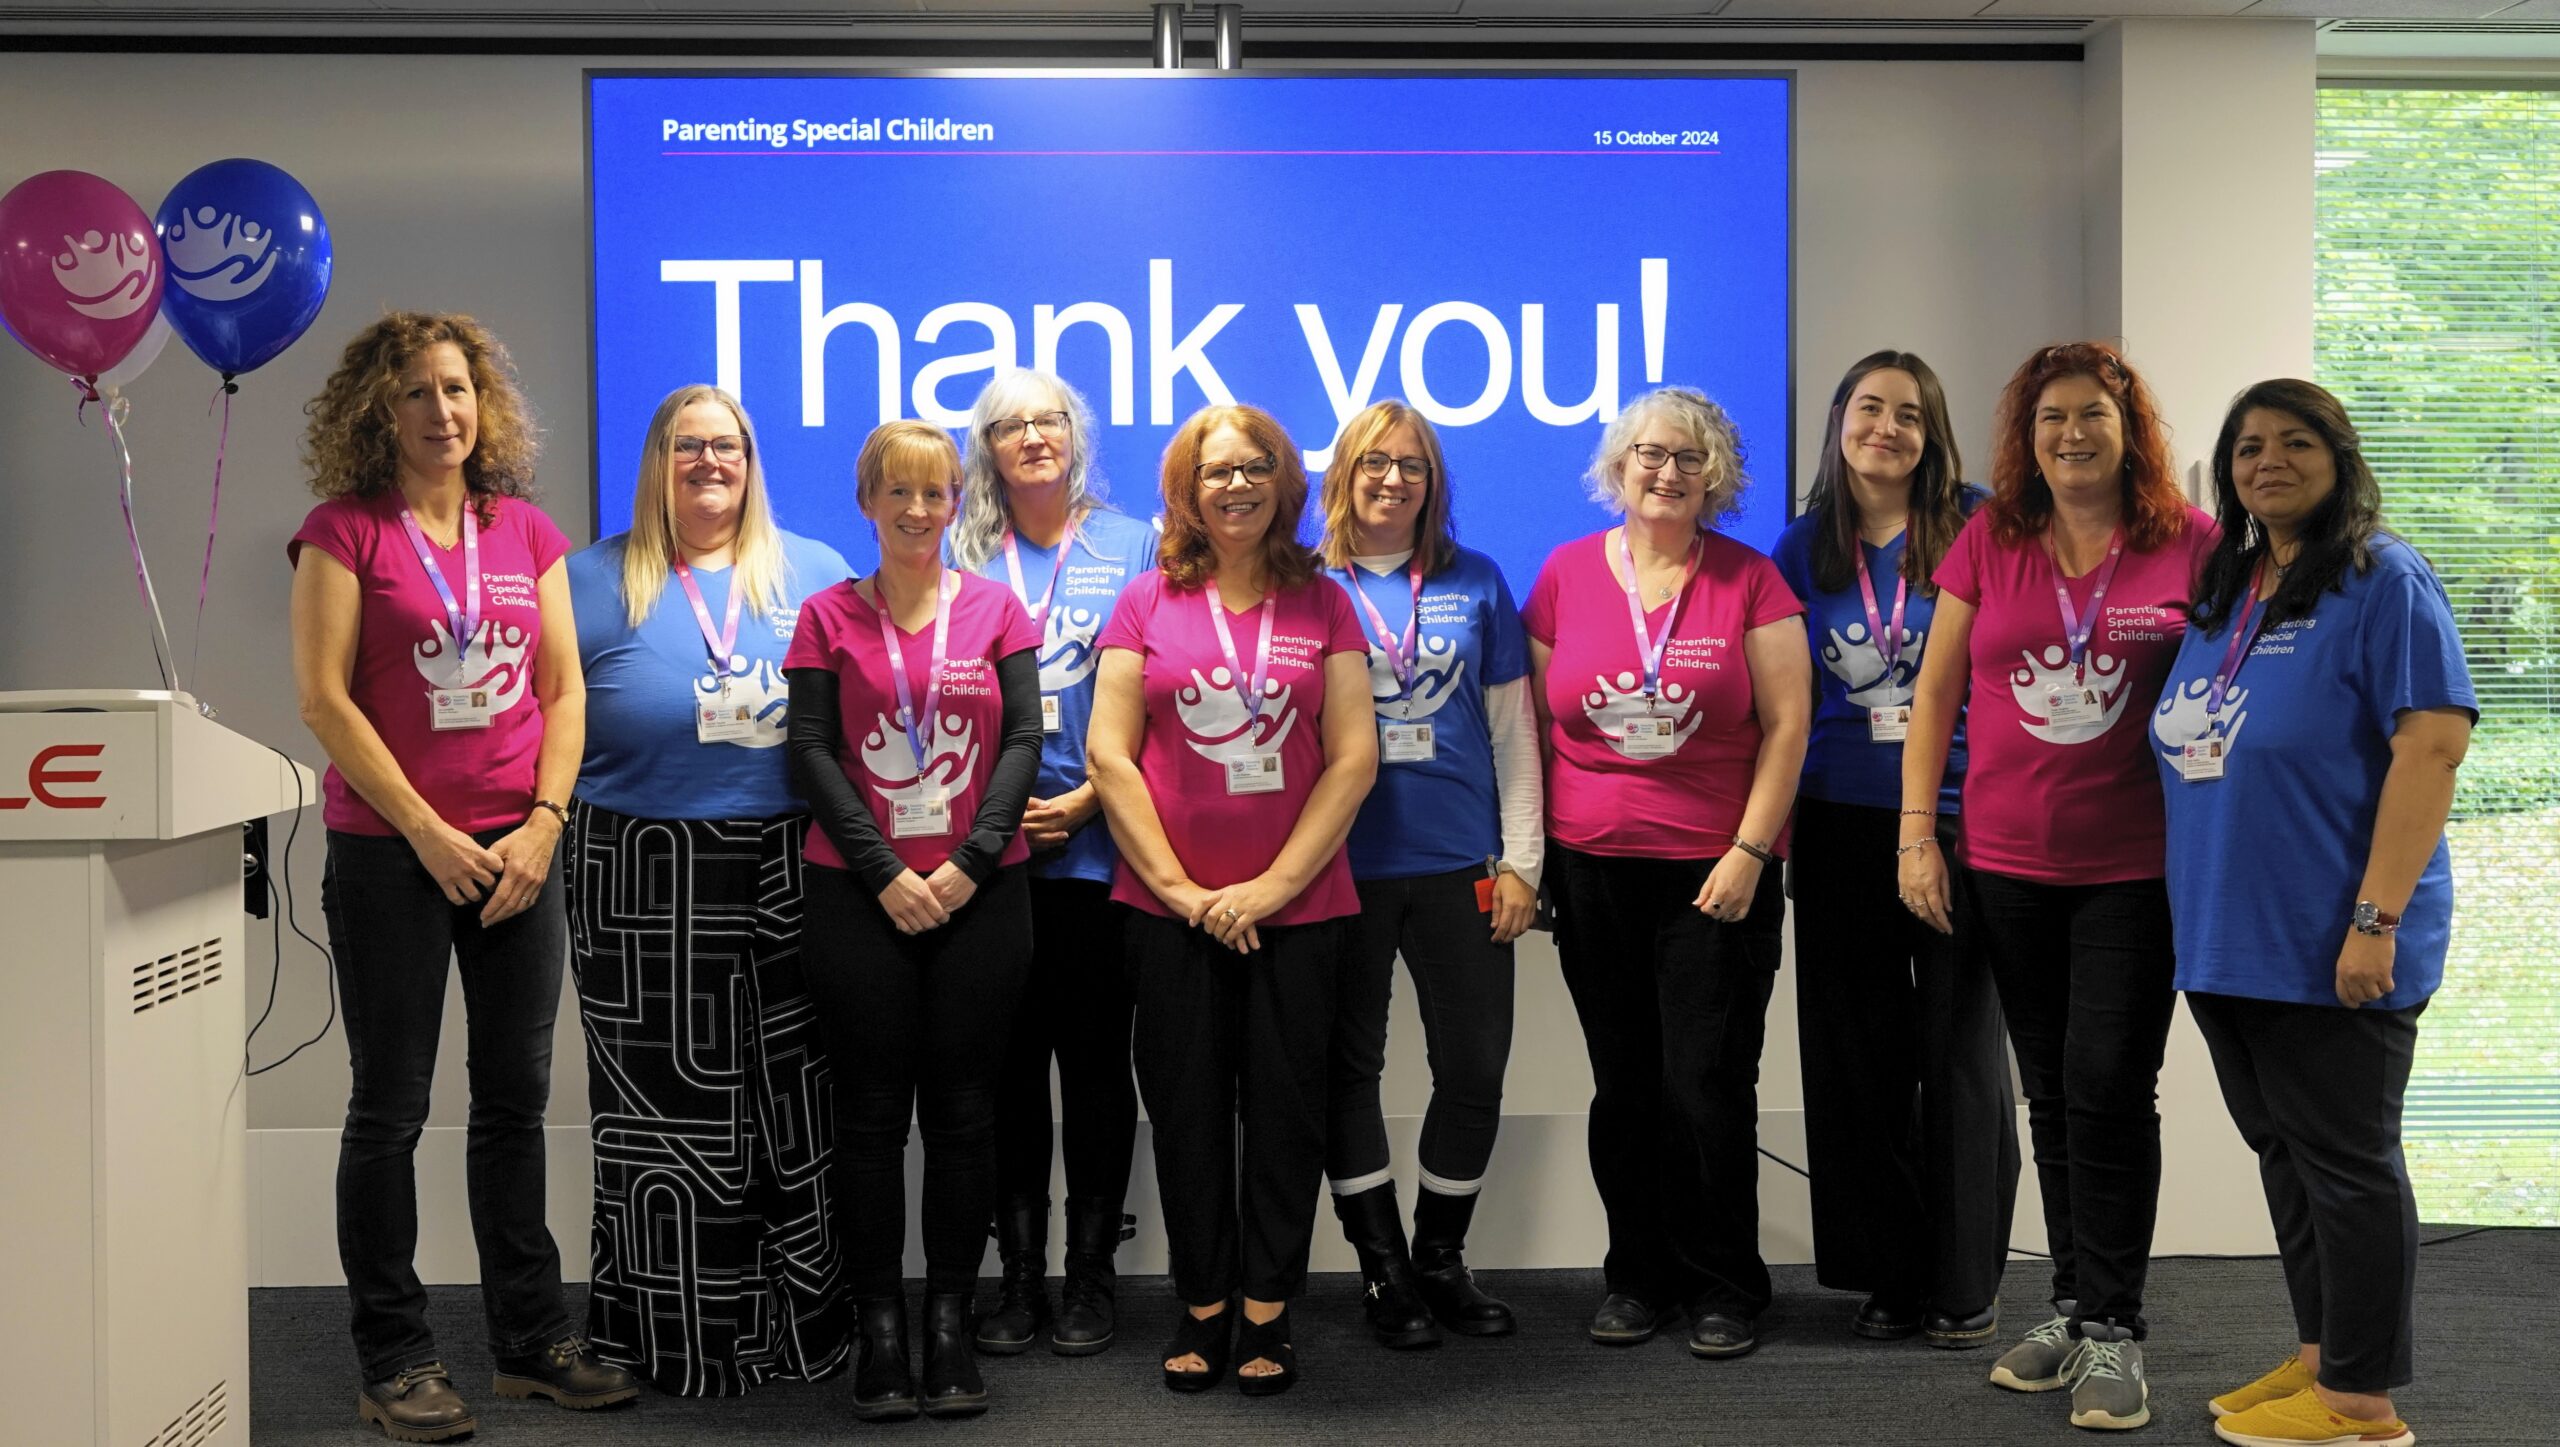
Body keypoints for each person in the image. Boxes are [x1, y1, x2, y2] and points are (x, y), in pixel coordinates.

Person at [288, 312, 636, 1442]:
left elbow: (564, 694)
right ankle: (394, 1354)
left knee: (515, 1105)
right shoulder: (344, 532)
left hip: (518, 855)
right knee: (388, 1109)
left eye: (457, 390)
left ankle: (531, 1342)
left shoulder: (525, 529)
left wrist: (543, 824)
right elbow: (324, 701)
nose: (444, 412)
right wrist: (428, 831)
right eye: (417, 394)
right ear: (375, 415)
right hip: (395, 855)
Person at [1898, 340, 2217, 1432]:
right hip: (2007, 866)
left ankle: (2118, 1327)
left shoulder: (2192, 544)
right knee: (2049, 1091)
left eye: (2089, 416)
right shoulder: (1993, 536)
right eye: (2048, 422)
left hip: (2135, 867)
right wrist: (1916, 837)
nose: (2069, 436)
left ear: (2130, 430)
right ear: (2024, 440)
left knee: (2109, 1090)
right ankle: (2077, 1306)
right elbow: (1933, 696)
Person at [2150, 380, 2472, 1447]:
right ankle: (2317, 1354)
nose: (2267, 462)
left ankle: (2362, 1400)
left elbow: (2429, 746)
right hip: (2228, 934)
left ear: (2339, 457)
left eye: (2294, 442)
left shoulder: (2385, 578)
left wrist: (2374, 920)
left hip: (2334, 933)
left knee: (2345, 1165)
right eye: (2246, 446)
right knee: (2286, 1158)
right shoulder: (2235, 583)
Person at [562, 384, 855, 1396]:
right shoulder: (589, 579)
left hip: (791, 860)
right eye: (687, 445)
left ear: (750, 458)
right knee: (661, 1114)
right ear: (656, 459)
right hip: (632, 869)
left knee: (792, 1101)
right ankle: (670, 1335)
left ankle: (797, 1330)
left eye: (725, 445)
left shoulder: (816, 573)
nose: (707, 462)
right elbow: (546, 720)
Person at [1085, 404, 1377, 1396]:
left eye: (1255, 468)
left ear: (1283, 482)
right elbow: (1108, 755)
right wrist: (1179, 888)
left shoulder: (1325, 601)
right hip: (1165, 912)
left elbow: (1352, 759)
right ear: (1187, 489)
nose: (1237, 485)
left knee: (1288, 1114)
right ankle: (1202, 1300)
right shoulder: (1141, 602)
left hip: (1299, 910)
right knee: (1186, 1110)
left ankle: (1267, 1306)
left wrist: (1266, 887)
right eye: (1216, 472)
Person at [1523, 386, 1812, 1361]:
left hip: (1712, 871)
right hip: (1591, 868)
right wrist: (1529, 862)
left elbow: (1787, 727)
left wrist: (1748, 850)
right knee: (1626, 1082)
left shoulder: (1749, 580)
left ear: (1715, 475)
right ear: (1619, 462)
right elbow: (1532, 730)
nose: (1666, 471)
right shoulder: (1563, 575)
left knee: (1705, 1082)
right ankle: (1636, 1274)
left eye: (1689, 458)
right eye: (1650, 452)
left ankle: (1726, 1282)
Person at [782, 419, 1044, 1420]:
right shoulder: (824, 616)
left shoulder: (996, 611)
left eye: (935, 492)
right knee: (869, 1121)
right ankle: (880, 1329)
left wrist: (971, 860)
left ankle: (948, 1322)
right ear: (866, 503)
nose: (918, 510)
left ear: (955, 501)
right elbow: (809, 750)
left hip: (983, 892)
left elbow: (1022, 737)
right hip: (858, 894)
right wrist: (885, 867)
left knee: (967, 1117)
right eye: (898, 492)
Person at [1770, 350, 2018, 1349]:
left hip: (1962, 820)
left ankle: (1961, 1281)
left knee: (1958, 1052)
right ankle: (1886, 1272)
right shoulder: (1800, 551)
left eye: (1908, 413)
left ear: (1932, 432)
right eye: (1868, 408)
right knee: (1855, 1059)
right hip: (1834, 822)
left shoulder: (1981, 525)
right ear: (1839, 423)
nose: (1886, 427)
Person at [1313, 399, 1540, 1348]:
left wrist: (1524, 860)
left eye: (1410, 465)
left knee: (1476, 1069)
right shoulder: (1306, 585)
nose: (1392, 479)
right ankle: (1383, 1273)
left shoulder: (1476, 581)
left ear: (1432, 481)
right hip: (1335, 874)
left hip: (1461, 868)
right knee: (1344, 1070)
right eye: (1374, 463)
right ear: (1344, 476)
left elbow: (1513, 734)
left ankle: (1441, 1257)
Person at [949, 370, 1157, 1358]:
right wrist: (996, 816)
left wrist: (1086, 800)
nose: (1034, 437)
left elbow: (1175, 694)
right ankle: (1020, 1280)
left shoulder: (1137, 544)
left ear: (1076, 437)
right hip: (991, 862)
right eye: (1011, 426)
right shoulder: (958, 552)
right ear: (985, 448)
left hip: (1102, 853)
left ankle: (1089, 1279)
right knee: (1009, 1075)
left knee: (1096, 1070)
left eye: (1051, 421)